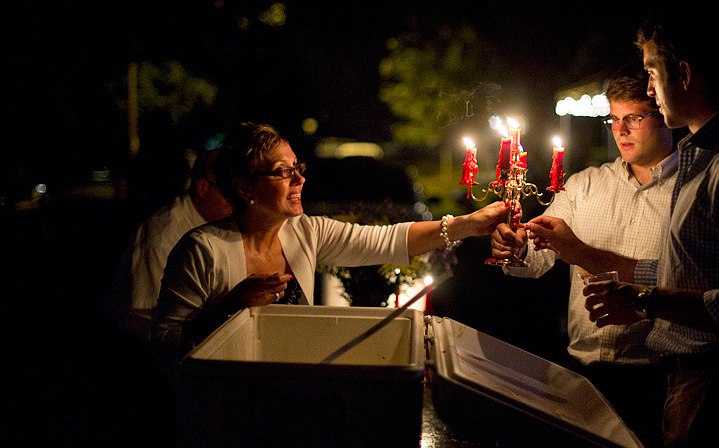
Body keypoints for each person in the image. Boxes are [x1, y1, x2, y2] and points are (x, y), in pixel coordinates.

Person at [524, 6, 719, 448]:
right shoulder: (704, 154)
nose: (650, 88)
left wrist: (644, 301)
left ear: (684, 73)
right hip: (694, 387)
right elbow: (694, 273)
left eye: (653, 73)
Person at [151, 122, 508, 379]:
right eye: (282, 171)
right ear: (245, 186)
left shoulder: (305, 231)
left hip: (294, 394)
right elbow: (165, 345)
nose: (299, 179)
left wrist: (467, 224)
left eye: (298, 168)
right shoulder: (201, 250)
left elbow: (387, 241)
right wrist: (231, 307)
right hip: (224, 408)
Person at [490, 61, 677, 448]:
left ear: (664, 116)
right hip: (582, 370)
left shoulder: (689, 191)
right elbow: (539, 258)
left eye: (633, 118)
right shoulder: (586, 184)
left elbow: (686, 278)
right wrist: (517, 247)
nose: (620, 130)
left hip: (656, 376)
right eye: (613, 119)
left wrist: (584, 253)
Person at [103, 148, 234, 342]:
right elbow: (147, 313)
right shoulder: (164, 233)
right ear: (203, 188)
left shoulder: (219, 225)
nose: (240, 199)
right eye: (229, 191)